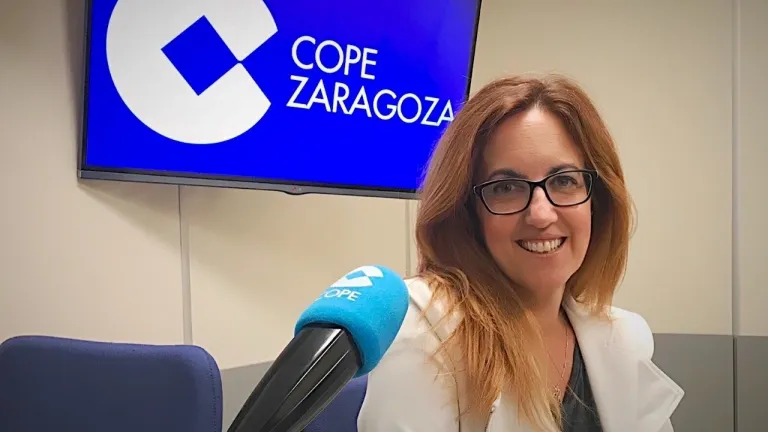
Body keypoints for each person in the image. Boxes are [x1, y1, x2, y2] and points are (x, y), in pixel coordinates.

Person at [356, 75, 684, 432]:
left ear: (597, 202)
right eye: (506, 187)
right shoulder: (424, 329)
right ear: (469, 212)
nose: (541, 214)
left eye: (564, 181)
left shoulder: (624, 337)